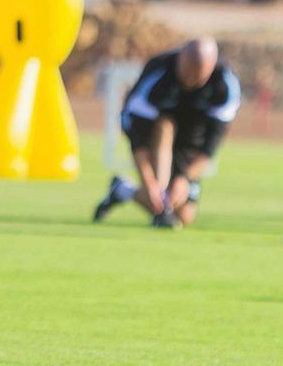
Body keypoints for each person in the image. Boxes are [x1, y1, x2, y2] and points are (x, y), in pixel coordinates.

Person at [93, 37, 240, 228]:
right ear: (180, 59)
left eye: (198, 76)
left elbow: (211, 145)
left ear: (211, 68)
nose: (189, 80)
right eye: (187, 72)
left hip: (191, 140)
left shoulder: (225, 84)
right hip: (152, 133)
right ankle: (160, 203)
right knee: (165, 129)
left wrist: (185, 178)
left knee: (184, 217)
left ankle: (123, 190)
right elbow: (137, 136)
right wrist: (150, 182)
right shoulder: (159, 73)